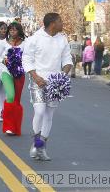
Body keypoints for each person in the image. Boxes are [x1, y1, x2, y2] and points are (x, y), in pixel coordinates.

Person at [22, 13, 72, 161]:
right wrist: (36, 77)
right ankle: (36, 142)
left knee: (49, 115)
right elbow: (27, 59)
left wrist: (62, 75)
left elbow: (67, 60)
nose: (62, 23)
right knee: (39, 111)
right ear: (52, 24)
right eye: (60, 21)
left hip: (55, 84)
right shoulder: (35, 39)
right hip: (38, 81)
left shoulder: (62, 39)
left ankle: (41, 146)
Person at [1, 22, 26, 135]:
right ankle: (8, 126)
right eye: (10, 29)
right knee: (10, 96)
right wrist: (3, 60)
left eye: (15, 30)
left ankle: (15, 127)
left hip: (20, 74)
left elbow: (29, 56)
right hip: (6, 72)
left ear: (19, 31)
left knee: (16, 100)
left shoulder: (25, 43)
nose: (12, 31)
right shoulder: (3, 43)